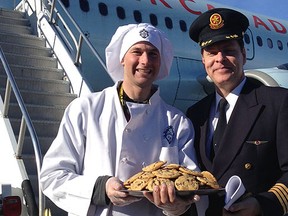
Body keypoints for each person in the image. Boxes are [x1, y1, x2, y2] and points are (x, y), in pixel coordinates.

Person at [40, 23, 202, 216]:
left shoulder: (177, 122)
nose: (145, 61)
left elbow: (191, 184)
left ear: (161, 63)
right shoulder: (85, 110)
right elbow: (52, 176)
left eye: (153, 54)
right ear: (123, 59)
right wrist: (101, 188)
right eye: (137, 51)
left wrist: (175, 206)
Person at [186, 8, 288, 216]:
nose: (220, 58)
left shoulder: (278, 102)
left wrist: (262, 204)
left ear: (243, 54)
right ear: (203, 60)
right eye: (212, 53)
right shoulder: (196, 115)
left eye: (228, 50)